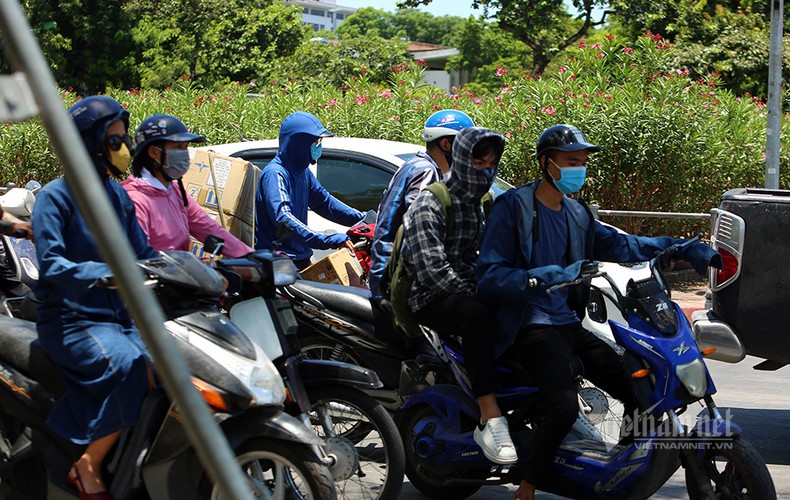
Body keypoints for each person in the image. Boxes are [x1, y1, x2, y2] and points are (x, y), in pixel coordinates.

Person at [473, 124, 722, 500]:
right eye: (571, 162)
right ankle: (527, 486)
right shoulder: (514, 209)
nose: (579, 170)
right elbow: (489, 275)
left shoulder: (577, 214)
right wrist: (550, 276)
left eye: (583, 163)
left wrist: (679, 247)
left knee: (641, 389)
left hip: (569, 325)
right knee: (562, 406)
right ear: (547, 163)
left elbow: (624, 245)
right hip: (528, 325)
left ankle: (622, 473)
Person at [33, 96, 158, 499]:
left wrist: (196, 268)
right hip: (71, 322)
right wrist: (108, 275)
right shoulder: (55, 197)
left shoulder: (116, 195)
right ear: (89, 142)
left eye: (123, 140)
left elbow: (144, 254)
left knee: (174, 367)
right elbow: (53, 265)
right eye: (115, 140)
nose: (123, 149)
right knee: (132, 365)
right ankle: (87, 466)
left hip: (119, 318)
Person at [400, 126, 517, 465]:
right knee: (478, 313)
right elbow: (433, 273)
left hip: (468, 287)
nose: (487, 172)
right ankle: (489, 415)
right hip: (429, 297)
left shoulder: (486, 202)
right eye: (479, 163)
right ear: (462, 160)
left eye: (492, 164)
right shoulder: (430, 202)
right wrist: (479, 292)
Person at [368, 109, 475, 298]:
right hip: (393, 279)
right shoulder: (426, 171)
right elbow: (421, 228)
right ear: (446, 144)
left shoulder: (416, 165)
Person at [122, 114, 253, 257]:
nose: (184, 154)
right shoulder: (135, 199)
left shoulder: (174, 191)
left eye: (185, 147)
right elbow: (139, 256)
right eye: (178, 147)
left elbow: (208, 227)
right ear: (153, 152)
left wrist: (251, 255)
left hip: (181, 275)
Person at [254, 111, 364, 270]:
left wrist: (363, 221)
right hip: (277, 265)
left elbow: (325, 203)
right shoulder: (275, 174)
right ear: (298, 143)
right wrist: (328, 239)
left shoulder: (303, 173)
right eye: (315, 142)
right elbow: (283, 218)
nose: (318, 147)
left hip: (300, 260)